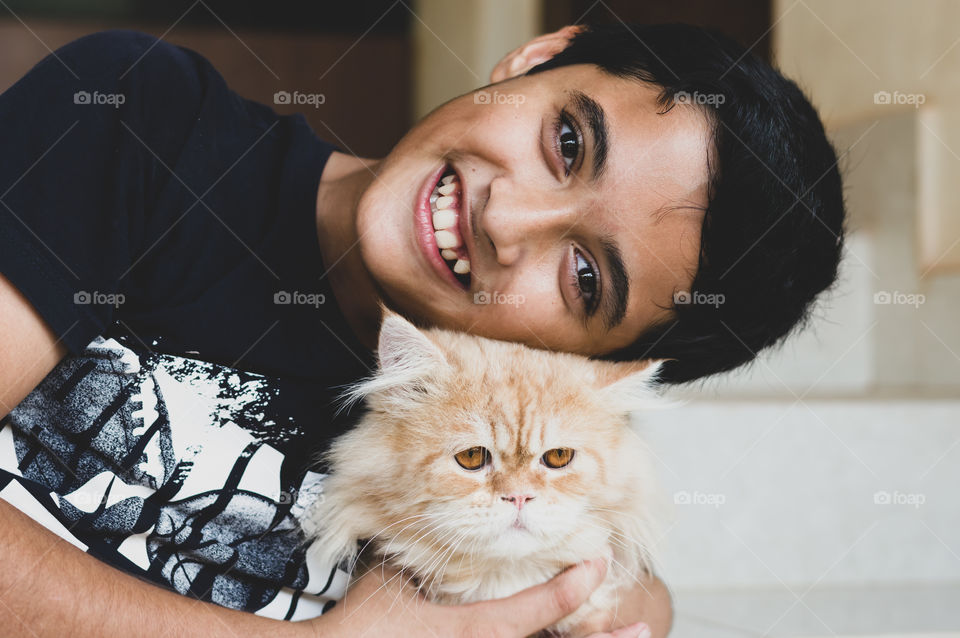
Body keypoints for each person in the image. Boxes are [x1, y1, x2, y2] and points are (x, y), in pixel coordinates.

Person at [0, 20, 844, 638]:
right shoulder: (142, 121)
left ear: (602, 361)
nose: (505, 215)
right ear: (537, 57)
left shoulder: (522, 461)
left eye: (586, 276)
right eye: (567, 139)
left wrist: (627, 597)